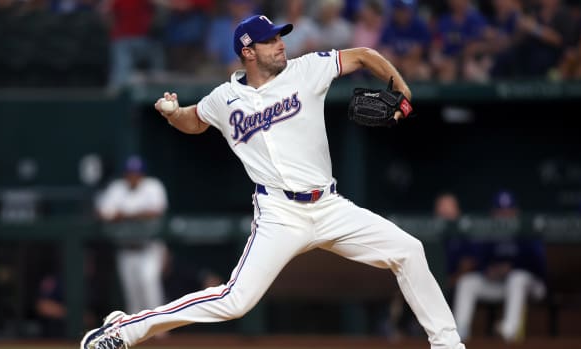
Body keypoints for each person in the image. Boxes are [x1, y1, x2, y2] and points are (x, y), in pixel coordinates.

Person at [81, 14, 466, 349]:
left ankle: (448, 345)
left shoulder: (306, 69)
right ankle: (125, 330)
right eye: (271, 40)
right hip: (279, 213)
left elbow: (364, 55)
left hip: (330, 206)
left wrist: (400, 87)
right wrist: (171, 113)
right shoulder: (224, 98)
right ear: (248, 51)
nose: (281, 44)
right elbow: (194, 121)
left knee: (410, 251)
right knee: (235, 301)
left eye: (280, 37)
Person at [451, 190, 547, 343]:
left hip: (533, 286)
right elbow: (480, 260)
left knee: (517, 278)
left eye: (508, 211)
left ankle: (510, 331)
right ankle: (458, 333)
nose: (504, 215)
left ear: (516, 212)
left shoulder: (526, 230)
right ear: (493, 213)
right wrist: (489, 270)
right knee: (467, 282)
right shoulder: (489, 233)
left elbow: (539, 265)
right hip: (502, 285)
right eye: (500, 211)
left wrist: (512, 267)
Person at [95, 155, 169, 315]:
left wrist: (124, 215)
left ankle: (160, 334)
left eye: (137, 173)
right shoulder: (117, 188)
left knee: (150, 287)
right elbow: (102, 213)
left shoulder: (153, 186)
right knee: (132, 295)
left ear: (143, 174)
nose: (133, 176)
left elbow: (156, 212)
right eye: (130, 173)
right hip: (125, 248)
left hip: (149, 248)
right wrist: (135, 215)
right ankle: (137, 334)